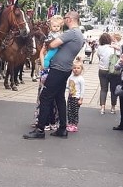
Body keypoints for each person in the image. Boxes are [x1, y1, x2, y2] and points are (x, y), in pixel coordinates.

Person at [24, 11, 85, 139]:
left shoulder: (71, 33)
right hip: (65, 69)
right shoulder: (79, 34)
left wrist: (47, 44)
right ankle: (62, 128)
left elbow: (52, 44)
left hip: (58, 69)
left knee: (45, 97)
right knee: (59, 98)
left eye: (65, 18)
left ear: (69, 19)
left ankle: (40, 129)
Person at [96, 33, 115, 114]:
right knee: (113, 89)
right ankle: (113, 107)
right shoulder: (113, 48)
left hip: (102, 70)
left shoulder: (100, 48)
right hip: (112, 70)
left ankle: (102, 108)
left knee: (103, 89)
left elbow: (99, 57)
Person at [66, 62, 85, 132]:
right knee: (69, 110)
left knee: (75, 112)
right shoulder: (71, 77)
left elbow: (82, 90)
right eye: (74, 68)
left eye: (78, 68)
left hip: (76, 97)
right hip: (70, 96)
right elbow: (68, 85)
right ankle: (70, 123)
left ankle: (75, 124)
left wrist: (81, 99)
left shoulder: (81, 79)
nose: (76, 69)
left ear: (81, 69)